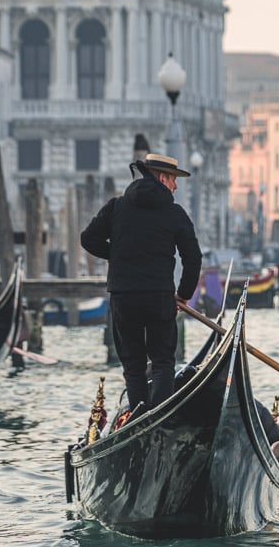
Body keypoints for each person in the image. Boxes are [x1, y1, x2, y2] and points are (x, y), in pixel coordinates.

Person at [80, 153, 202, 411]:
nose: (176, 186)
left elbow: (88, 239)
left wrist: (119, 255)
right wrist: (184, 294)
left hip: (124, 296)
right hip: (159, 295)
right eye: (173, 180)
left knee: (133, 366)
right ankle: (160, 416)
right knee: (162, 363)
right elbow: (193, 258)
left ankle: (139, 417)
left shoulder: (116, 207)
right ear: (162, 177)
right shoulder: (174, 212)